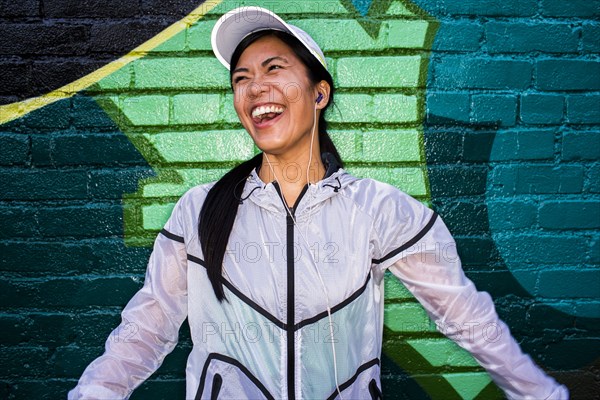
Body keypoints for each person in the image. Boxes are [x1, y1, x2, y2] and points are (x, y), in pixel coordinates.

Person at [69, 6, 569, 400]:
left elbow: (467, 316)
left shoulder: (379, 209)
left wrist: (541, 393)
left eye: (274, 68)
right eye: (241, 78)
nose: (254, 87)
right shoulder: (198, 211)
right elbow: (145, 330)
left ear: (319, 93)